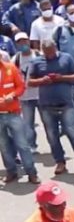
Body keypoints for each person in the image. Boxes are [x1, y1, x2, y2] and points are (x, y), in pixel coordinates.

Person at [29, 39, 74, 176]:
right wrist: (42, 80)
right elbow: (30, 82)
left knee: (73, 134)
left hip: (66, 104)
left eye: (51, 52)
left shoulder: (66, 58)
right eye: (46, 53)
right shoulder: (36, 62)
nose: (49, 55)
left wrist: (61, 78)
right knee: (52, 136)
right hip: (46, 105)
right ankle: (60, 162)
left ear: (55, 48)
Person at [0, 49, 38, 183]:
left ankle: (31, 173)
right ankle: (11, 172)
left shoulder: (10, 68)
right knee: (3, 146)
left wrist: (13, 95)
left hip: (13, 113)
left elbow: (21, 87)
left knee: (22, 144)